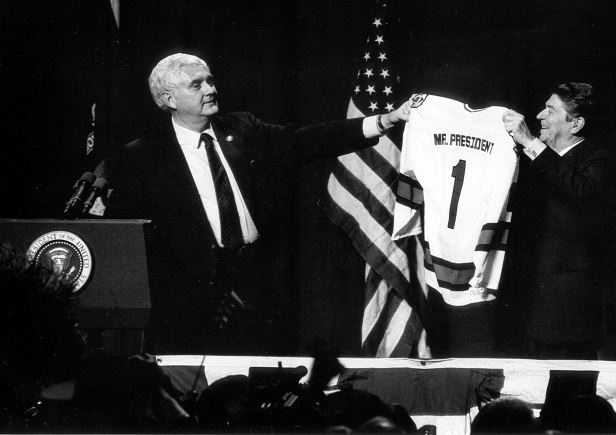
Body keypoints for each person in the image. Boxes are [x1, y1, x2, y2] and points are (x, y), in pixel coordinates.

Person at [106, 53, 410, 356]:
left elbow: (306, 140)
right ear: (169, 99)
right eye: (196, 85)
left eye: (210, 81)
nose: (210, 89)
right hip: (191, 300)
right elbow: (127, 241)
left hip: (257, 284)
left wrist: (383, 122)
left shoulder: (243, 128)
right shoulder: (142, 156)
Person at [497, 82, 615, 360]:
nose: (539, 116)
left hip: (568, 315)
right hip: (527, 306)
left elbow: (581, 191)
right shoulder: (535, 160)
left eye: (550, 110)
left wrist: (530, 143)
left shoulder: (601, 159)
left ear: (576, 124)